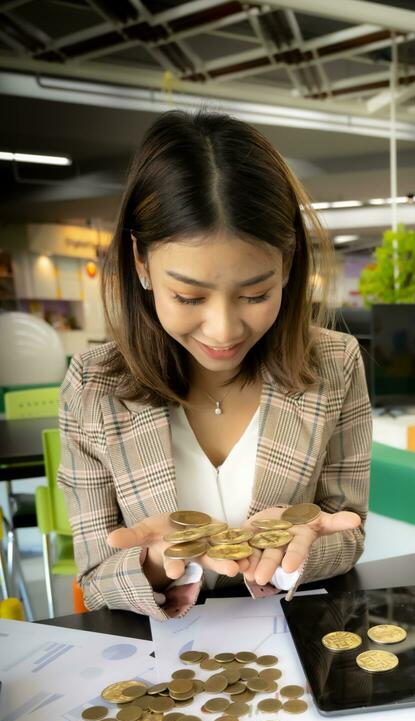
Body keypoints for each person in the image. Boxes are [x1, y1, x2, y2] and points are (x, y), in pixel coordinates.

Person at [58, 111, 372, 621]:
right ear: (140, 262)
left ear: (288, 266)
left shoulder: (336, 365)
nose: (223, 330)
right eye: (187, 295)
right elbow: (97, 576)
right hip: (158, 667)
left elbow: (348, 529)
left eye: (256, 293)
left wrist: (302, 548)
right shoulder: (94, 385)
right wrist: (159, 563)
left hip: (297, 643)